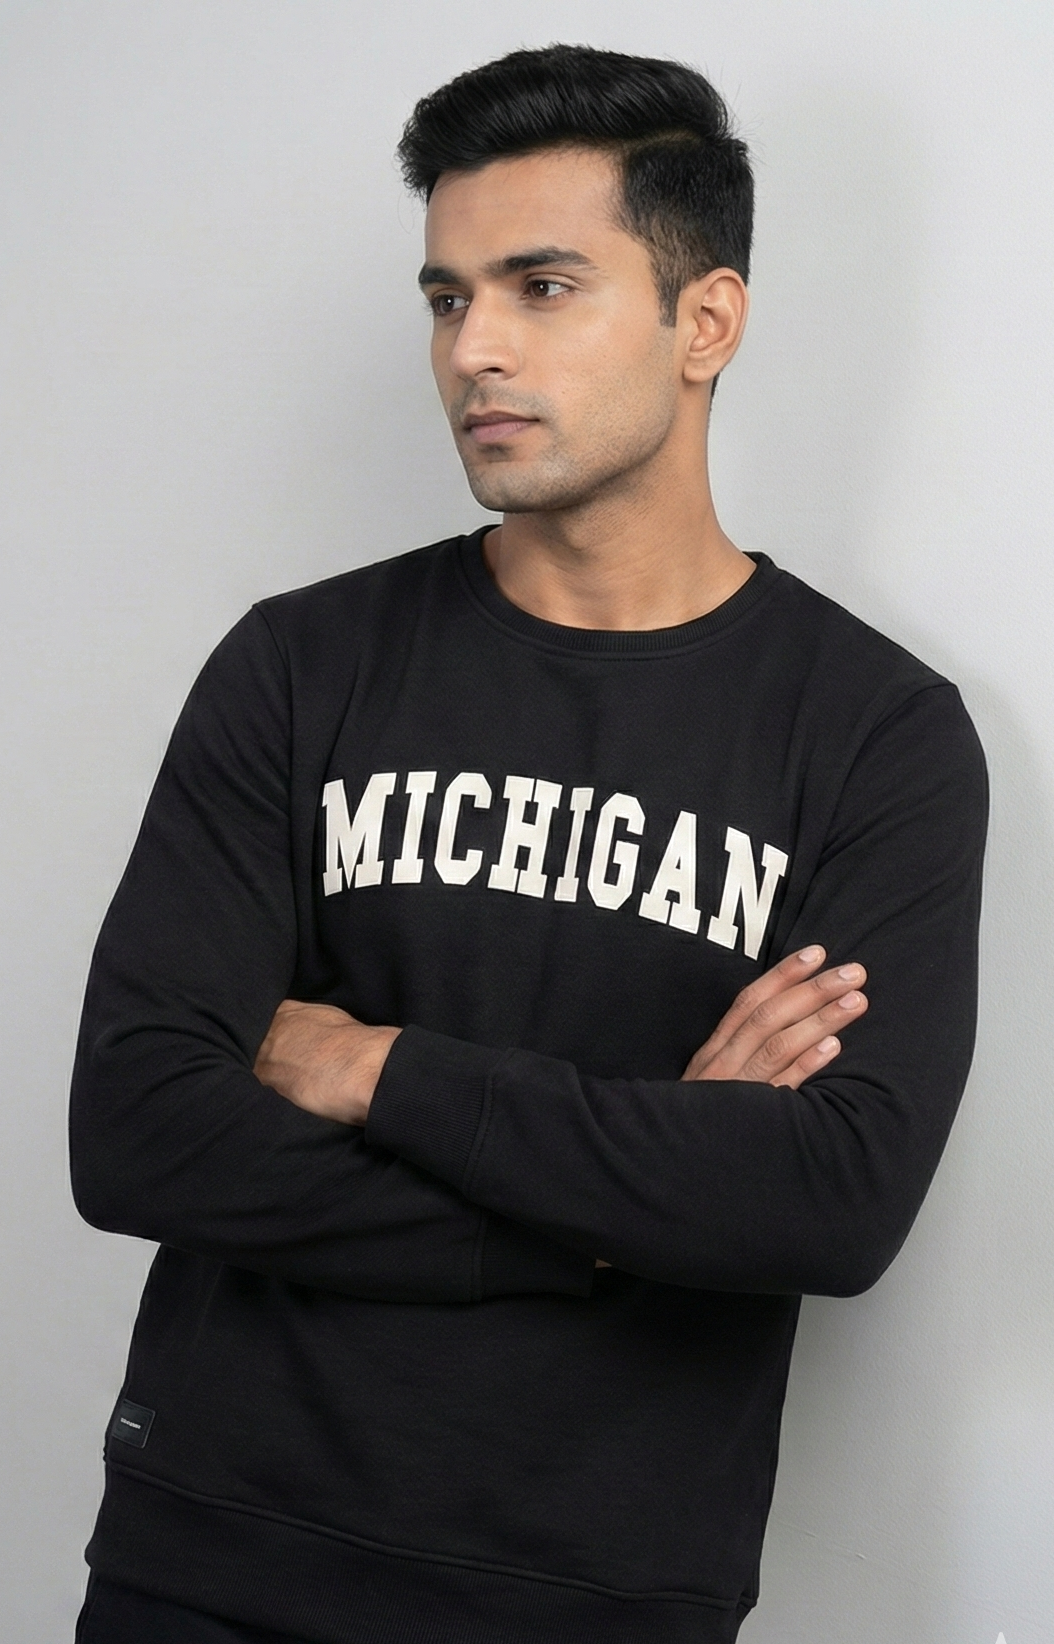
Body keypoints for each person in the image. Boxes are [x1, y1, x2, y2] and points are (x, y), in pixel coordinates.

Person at [69, 43, 987, 1644]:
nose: (472, 349)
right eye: (447, 297)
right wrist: (624, 1222)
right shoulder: (301, 665)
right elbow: (139, 1133)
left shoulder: (874, 733)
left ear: (704, 321)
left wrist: (375, 1069)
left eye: (542, 287)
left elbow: (830, 1202)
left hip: (596, 1592)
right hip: (214, 1561)